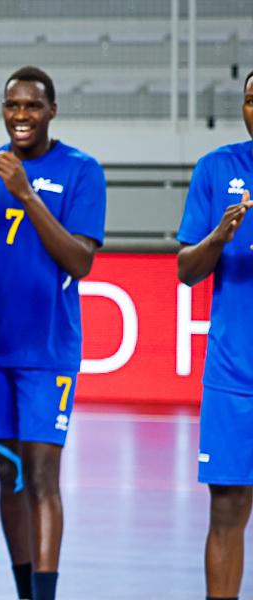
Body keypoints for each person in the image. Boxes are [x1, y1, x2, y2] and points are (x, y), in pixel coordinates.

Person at [0, 66, 106, 600]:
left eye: (32, 106)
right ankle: (25, 591)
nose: (21, 116)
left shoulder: (81, 171)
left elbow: (81, 261)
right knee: (9, 476)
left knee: (43, 475)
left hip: (46, 353)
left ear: (52, 111)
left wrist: (28, 194)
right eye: (12, 106)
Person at [175, 70, 253, 600]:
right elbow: (186, 269)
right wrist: (220, 236)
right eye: (251, 99)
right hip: (234, 374)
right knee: (226, 509)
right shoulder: (217, 168)